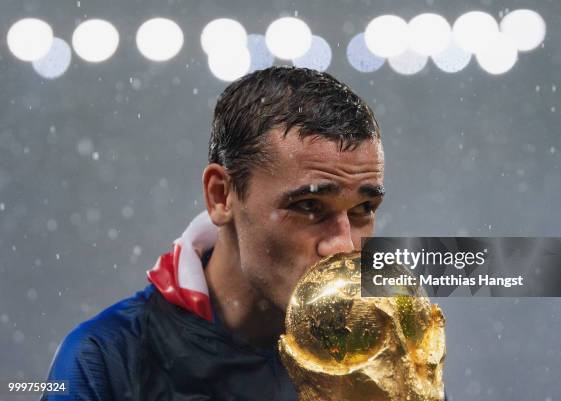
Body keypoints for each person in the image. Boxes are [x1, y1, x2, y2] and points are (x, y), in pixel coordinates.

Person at [42, 66, 386, 400]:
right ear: (221, 195)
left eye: (363, 210)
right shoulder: (107, 358)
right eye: (309, 205)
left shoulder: (386, 343)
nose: (344, 245)